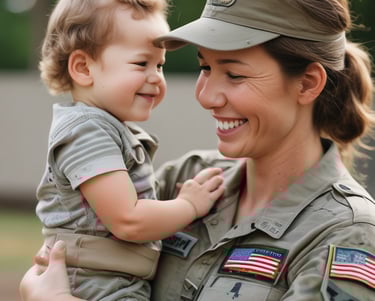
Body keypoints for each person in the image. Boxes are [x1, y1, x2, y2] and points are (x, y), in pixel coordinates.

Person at [20, 0, 375, 300]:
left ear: (308, 83)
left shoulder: (347, 235)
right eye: (205, 67)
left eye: (234, 75)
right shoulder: (186, 179)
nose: (205, 96)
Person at [30, 0, 225, 300]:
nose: (156, 78)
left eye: (159, 65)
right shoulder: (87, 130)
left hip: (111, 277)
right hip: (96, 283)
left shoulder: (106, 127)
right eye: (141, 63)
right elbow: (128, 220)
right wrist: (189, 205)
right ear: (83, 68)